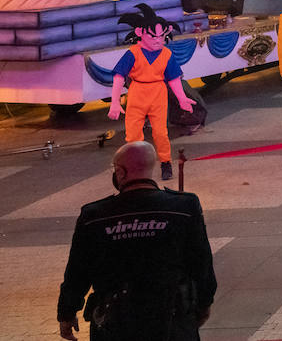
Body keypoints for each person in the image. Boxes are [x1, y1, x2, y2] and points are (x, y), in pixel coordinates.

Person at [57, 141, 216, 341]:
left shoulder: (95, 215)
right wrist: (204, 302)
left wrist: (67, 312)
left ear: (121, 172)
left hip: (114, 322)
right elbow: (201, 261)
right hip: (171, 318)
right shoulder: (184, 207)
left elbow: (77, 270)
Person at [109, 5, 196, 182]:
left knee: (160, 133)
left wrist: (181, 98)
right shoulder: (133, 53)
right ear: (141, 33)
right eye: (153, 36)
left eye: (161, 36)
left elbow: (173, 78)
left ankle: (165, 162)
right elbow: (119, 76)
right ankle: (133, 166)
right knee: (133, 135)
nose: (158, 40)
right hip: (137, 93)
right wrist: (115, 102)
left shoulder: (166, 54)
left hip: (158, 94)